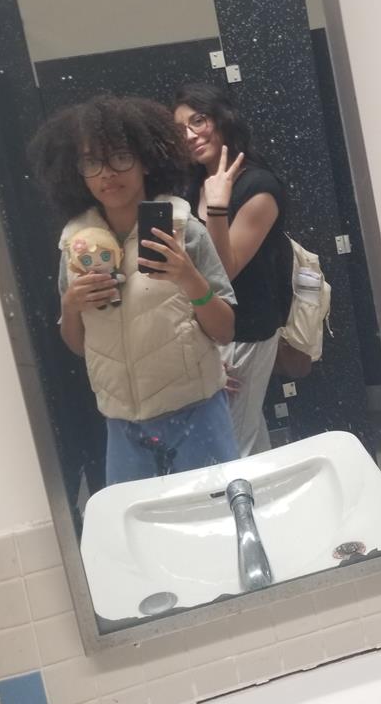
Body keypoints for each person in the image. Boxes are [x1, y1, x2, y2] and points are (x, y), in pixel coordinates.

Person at [28, 94, 239, 485]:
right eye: (92, 162)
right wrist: (71, 305)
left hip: (196, 412)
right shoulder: (75, 244)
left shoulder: (182, 228)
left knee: (215, 526)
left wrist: (189, 278)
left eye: (120, 157)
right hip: (122, 425)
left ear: (144, 160)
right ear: (79, 173)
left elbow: (225, 330)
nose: (107, 173)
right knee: (141, 539)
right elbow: (77, 344)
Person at [173, 83, 293, 457]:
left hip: (246, 332)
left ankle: (243, 512)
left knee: (230, 447)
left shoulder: (259, 188)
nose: (191, 135)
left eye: (199, 120)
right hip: (212, 328)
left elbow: (223, 270)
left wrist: (220, 209)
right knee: (247, 434)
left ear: (222, 120)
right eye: (181, 130)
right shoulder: (194, 185)